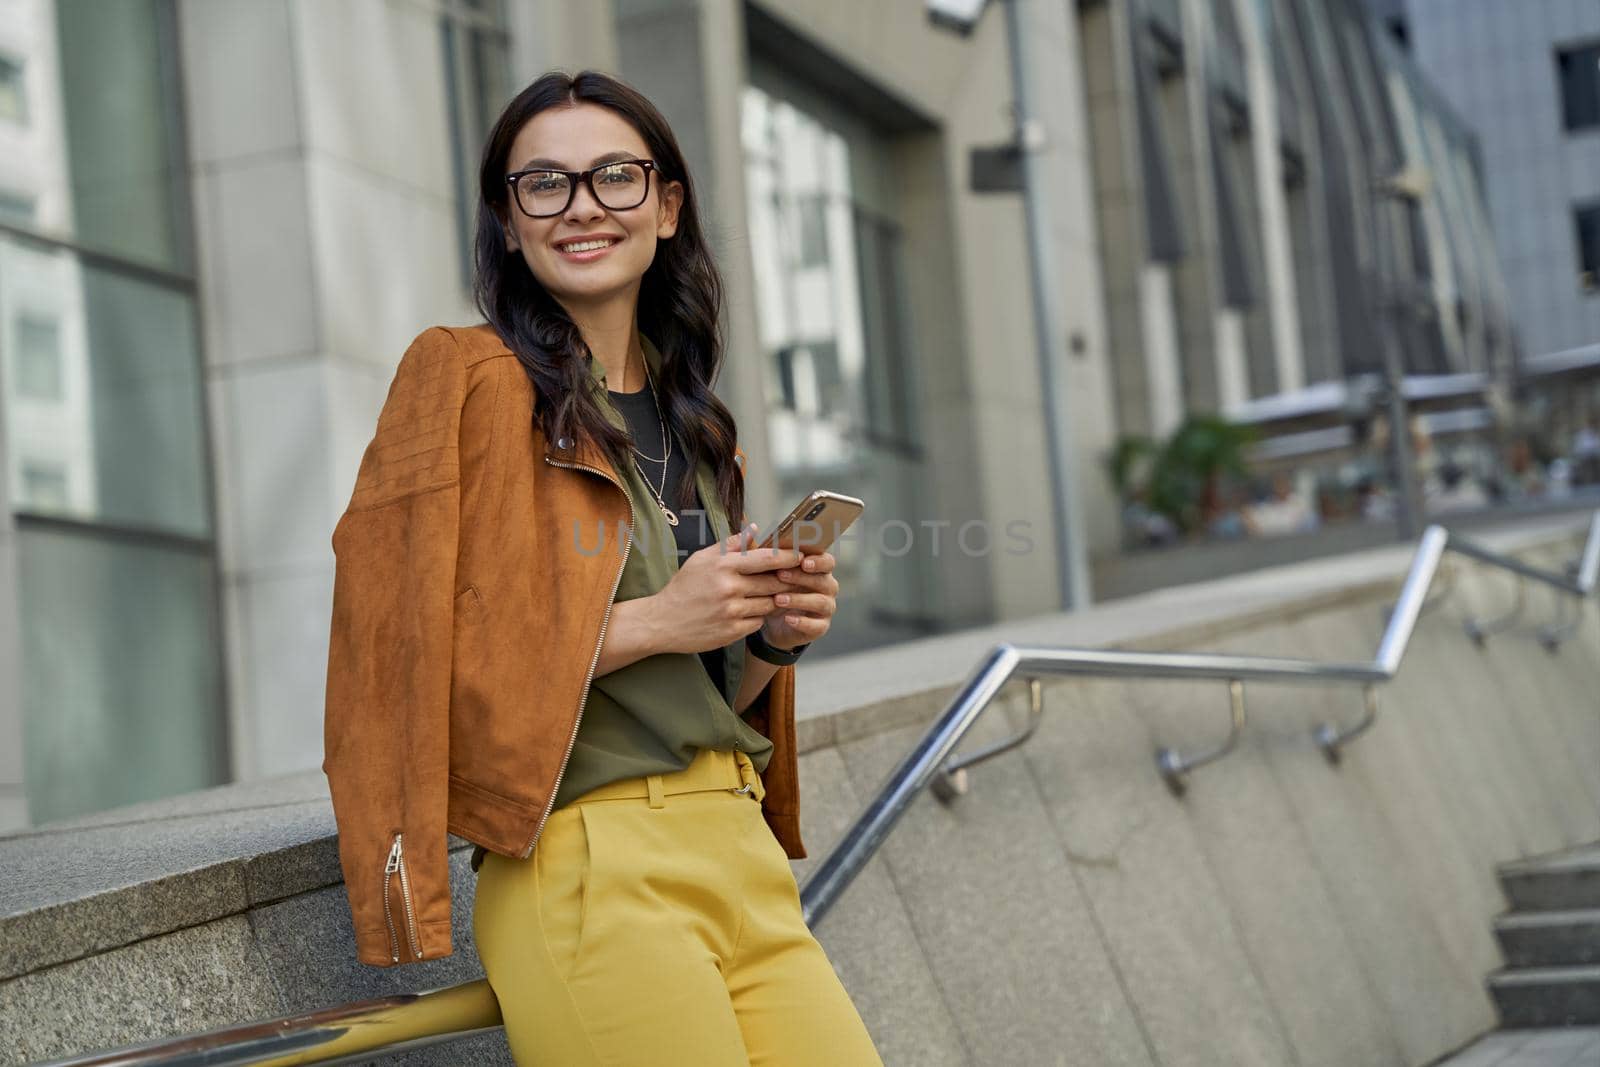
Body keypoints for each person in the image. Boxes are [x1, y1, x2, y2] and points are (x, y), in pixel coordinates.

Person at [321, 69, 883, 1066]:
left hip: (737, 844)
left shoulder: (699, 425)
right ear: (506, 219)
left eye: (614, 177)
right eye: (544, 183)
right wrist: (659, 618)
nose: (582, 205)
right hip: (586, 859)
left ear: (666, 207)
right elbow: (397, 666)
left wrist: (770, 634)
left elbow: (710, 685)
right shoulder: (461, 378)